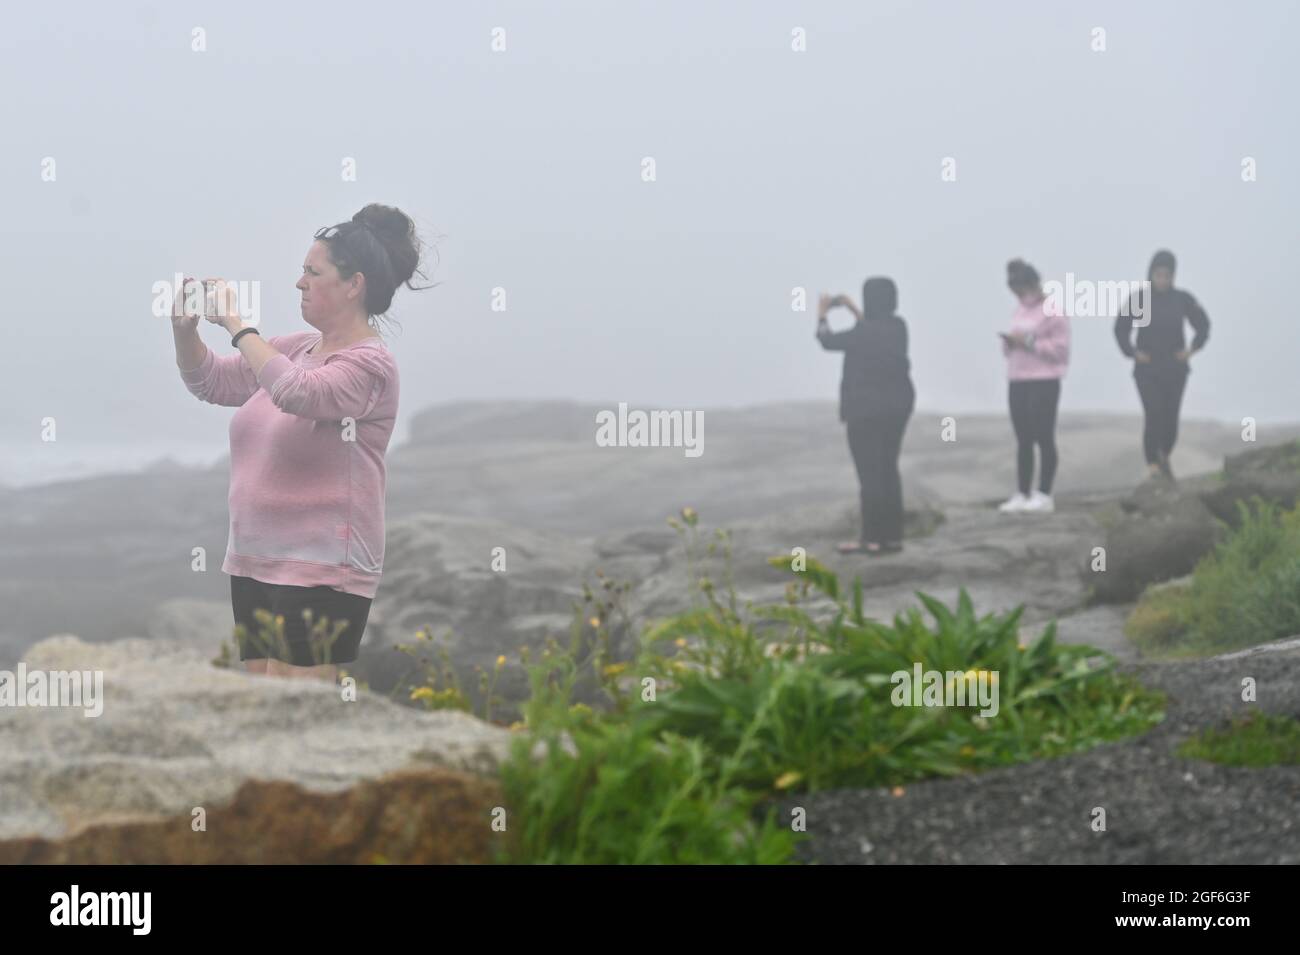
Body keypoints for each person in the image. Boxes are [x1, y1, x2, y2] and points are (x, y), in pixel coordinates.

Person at [172, 203, 426, 682]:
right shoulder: (294, 349)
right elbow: (212, 383)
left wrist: (235, 324)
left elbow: (297, 392)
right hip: (253, 559)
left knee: (299, 718)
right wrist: (184, 332)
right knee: (262, 711)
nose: (300, 282)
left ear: (354, 285)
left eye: (313, 272)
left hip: (323, 566)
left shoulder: (370, 366)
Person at [816, 277, 916, 555]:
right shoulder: (898, 327)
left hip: (865, 412)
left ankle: (871, 538)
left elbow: (826, 340)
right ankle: (892, 537)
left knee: (869, 475)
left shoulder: (861, 334)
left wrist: (822, 314)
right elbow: (870, 329)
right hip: (897, 409)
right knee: (888, 469)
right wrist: (853, 310)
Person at [1114, 249, 1210, 482]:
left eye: (1167, 275)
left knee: (1170, 418)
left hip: (1175, 369)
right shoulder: (1139, 299)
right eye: (1158, 274)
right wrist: (1132, 353)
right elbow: (1120, 328)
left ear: (1173, 276)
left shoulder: (1183, 299)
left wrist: (1191, 350)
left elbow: (1203, 325)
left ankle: (1163, 456)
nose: (1163, 279)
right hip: (1147, 370)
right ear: (1151, 274)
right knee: (1154, 413)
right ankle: (1153, 465)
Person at [997, 259, 1070, 514]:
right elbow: (1011, 347)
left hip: (1044, 380)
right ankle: (1023, 491)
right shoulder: (1019, 311)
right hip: (1018, 378)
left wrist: (1028, 342)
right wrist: (1009, 343)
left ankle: (1044, 493)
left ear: (1032, 284)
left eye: (1021, 289)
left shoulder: (1053, 310)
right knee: (1023, 438)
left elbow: (1061, 351)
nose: (1019, 294)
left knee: (1044, 436)